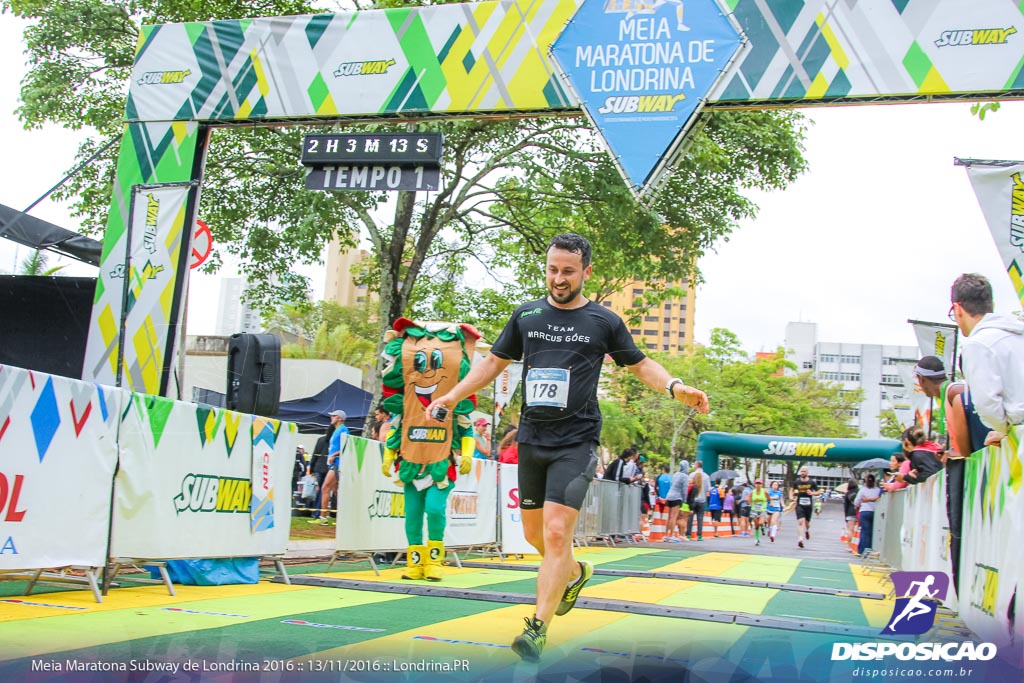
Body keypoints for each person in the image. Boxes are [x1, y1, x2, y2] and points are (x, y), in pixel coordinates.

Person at [424, 233, 710, 662]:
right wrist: (450, 396)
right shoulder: (527, 315)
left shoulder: (603, 321)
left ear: (586, 272)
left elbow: (640, 363)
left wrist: (674, 386)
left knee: (558, 532)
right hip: (532, 438)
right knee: (534, 535)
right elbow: (492, 363)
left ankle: (536, 629)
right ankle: (575, 573)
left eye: (568, 271)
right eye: (553, 269)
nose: (559, 278)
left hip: (576, 441)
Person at [950, 273, 1024, 439]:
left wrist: (1004, 431)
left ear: (957, 309)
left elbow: (987, 404)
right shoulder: (1018, 332)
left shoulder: (977, 344)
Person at [313, 409, 348, 524]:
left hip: (337, 463)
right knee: (337, 490)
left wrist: (334, 455)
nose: (331, 418)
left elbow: (346, 446)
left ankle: (323, 517)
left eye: (333, 416)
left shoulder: (343, 430)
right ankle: (342, 517)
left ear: (339, 418)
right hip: (333, 462)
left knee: (325, 488)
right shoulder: (336, 430)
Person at [309, 422, 334, 520]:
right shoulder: (335, 442)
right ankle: (321, 512)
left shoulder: (320, 440)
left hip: (319, 468)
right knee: (326, 491)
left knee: (320, 491)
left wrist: (311, 468)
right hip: (329, 468)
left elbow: (315, 454)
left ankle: (317, 512)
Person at [853, 473, 881, 556]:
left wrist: (859, 504)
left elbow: (856, 502)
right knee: (872, 531)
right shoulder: (878, 490)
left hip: (864, 511)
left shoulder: (863, 490)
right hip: (874, 512)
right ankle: (870, 550)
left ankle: (862, 551)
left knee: (864, 532)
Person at [791, 467, 820, 549]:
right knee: (800, 522)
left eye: (804, 471)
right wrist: (791, 497)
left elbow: (818, 492)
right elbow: (792, 490)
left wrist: (812, 493)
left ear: (807, 472)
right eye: (801, 471)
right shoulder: (797, 481)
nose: (802, 473)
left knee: (807, 523)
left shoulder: (812, 482)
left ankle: (807, 531)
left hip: (808, 505)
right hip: (799, 504)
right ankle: (800, 539)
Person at [664, 461, 690, 542]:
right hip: (677, 497)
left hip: (669, 495)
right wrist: (685, 500)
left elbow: (671, 484)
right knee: (674, 517)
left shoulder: (675, 474)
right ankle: (671, 535)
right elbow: (684, 489)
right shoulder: (685, 476)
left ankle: (665, 535)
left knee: (669, 517)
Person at [685, 460, 710, 541]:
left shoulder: (692, 475)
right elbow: (708, 490)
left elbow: (688, 487)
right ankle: (699, 535)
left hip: (693, 499)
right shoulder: (706, 476)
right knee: (700, 518)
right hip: (702, 500)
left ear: (697, 465)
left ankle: (688, 534)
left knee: (690, 518)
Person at [749, 479, 768, 546]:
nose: (758, 485)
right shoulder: (752, 492)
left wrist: (770, 503)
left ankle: (762, 526)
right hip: (754, 510)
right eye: (757, 483)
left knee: (760, 523)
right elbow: (749, 500)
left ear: (761, 485)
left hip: (762, 510)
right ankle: (757, 539)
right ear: (755, 484)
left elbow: (769, 498)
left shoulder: (764, 492)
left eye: (759, 484)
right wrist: (748, 502)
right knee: (756, 525)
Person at [842, 478, 859, 547]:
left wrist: (846, 516)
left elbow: (845, 506)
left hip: (850, 512)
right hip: (858, 512)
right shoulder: (859, 491)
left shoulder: (847, 493)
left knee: (850, 530)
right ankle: (856, 545)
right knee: (858, 530)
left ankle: (849, 546)